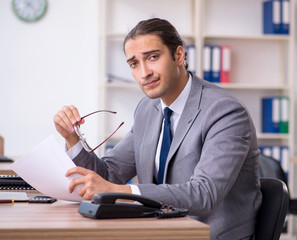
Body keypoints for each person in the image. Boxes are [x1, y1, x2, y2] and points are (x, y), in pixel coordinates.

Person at [53, 18, 262, 240]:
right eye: (134, 63)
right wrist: (72, 138)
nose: (144, 73)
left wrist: (124, 192)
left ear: (179, 55)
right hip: (159, 231)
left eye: (152, 57)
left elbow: (204, 194)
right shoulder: (147, 109)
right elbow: (109, 176)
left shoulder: (224, 111)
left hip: (210, 234)